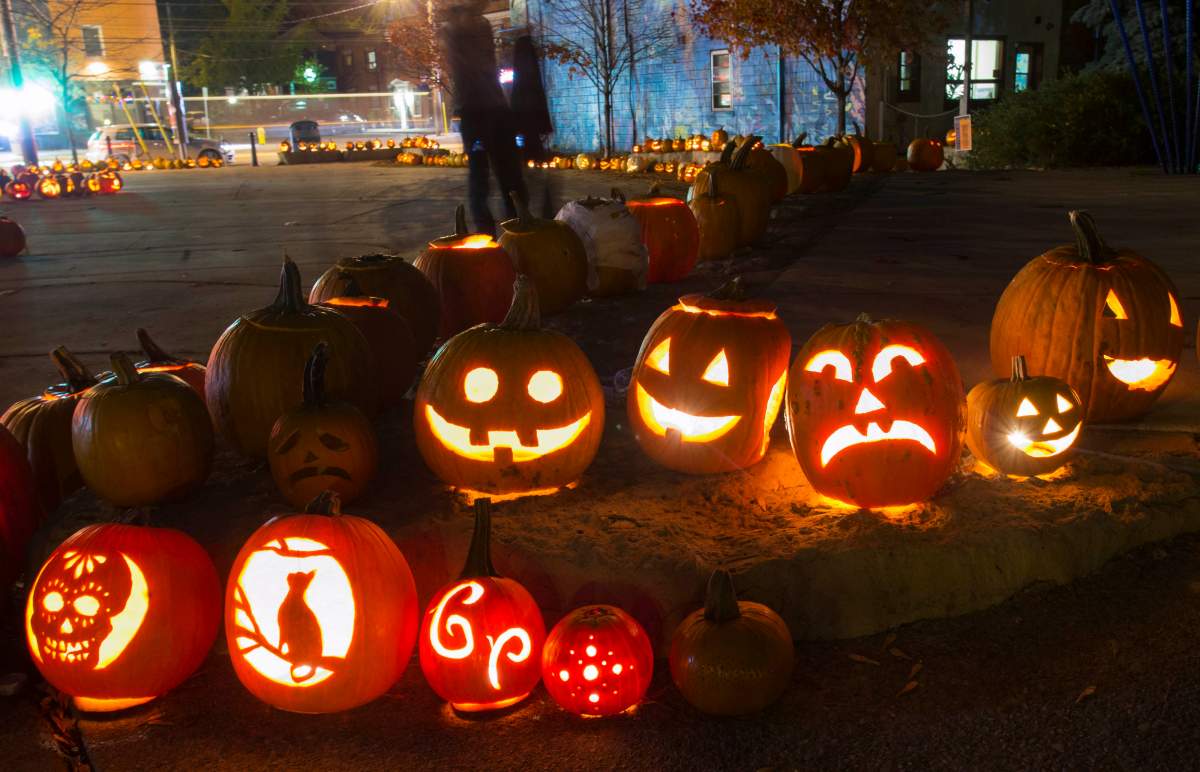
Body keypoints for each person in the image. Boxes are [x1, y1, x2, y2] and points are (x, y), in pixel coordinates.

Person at [441, 0, 527, 234]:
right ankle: (487, 235)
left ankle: (518, 226)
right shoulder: (454, 30)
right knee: (481, 178)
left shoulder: (480, 25)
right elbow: (468, 67)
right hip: (474, 112)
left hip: (494, 109)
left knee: (509, 175)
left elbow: (486, 65)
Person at [510, 32, 557, 218]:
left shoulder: (521, 76)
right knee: (537, 174)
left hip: (525, 131)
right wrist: (544, 125)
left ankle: (527, 211)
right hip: (532, 131)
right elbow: (537, 99)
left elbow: (519, 101)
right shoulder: (531, 74)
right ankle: (542, 211)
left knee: (527, 175)